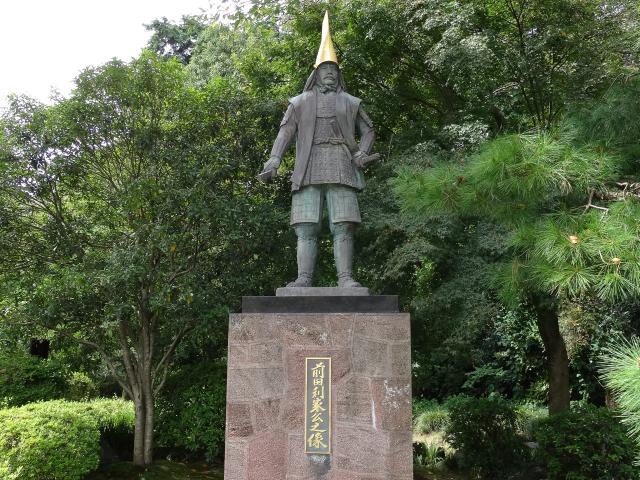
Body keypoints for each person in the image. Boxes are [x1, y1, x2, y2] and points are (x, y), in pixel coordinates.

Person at [260, 12, 376, 288]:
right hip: (308, 165)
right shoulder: (299, 102)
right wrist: (274, 159)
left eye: (334, 70)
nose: (330, 74)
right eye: (325, 70)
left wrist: (362, 152)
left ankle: (345, 278)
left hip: (341, 163)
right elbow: (285, 132)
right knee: (306, 225)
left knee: (343, 223)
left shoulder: (351, 101)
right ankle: (303, 278)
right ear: (316, 74)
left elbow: (369, 130)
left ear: (339, 75)